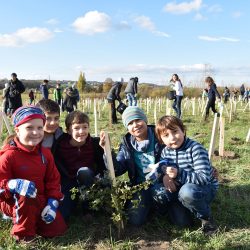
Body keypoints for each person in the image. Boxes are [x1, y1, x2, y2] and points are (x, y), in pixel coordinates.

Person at [99, 106, 193, 227]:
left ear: (145, 120)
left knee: (183, 222)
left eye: (138, 120)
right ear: (127, 127)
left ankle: (166, 206)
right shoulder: (127, 144)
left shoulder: (160, 135)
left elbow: (181, 151)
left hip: (164, 184)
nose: (135, 125)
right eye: (130, 123)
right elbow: (117, 169)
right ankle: (152, 205)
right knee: (134, 221)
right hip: (140, 187)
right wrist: (107, 151)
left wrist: (168, 175)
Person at [0, 106, 67, 243]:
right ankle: (23, 234)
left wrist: (52, 202)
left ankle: (33, 221)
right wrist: (12, 185)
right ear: (17, 130)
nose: (35, 132)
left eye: (39, 128)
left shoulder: (45, 154)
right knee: (25, 191)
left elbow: (53, 180)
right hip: (14, 200)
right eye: (29, 128)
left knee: (58, 230)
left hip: (39, 198)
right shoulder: (9, 155)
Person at [155, 115, 219, 235]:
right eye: (166, 135)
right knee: (182, 222)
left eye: (175, 132)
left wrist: (178, 174)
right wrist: (165, 176)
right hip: (181, 189)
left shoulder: (195, 149)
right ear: (161, 139)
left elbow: (204, 178)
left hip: (203, 189)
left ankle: (206, 219)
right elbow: (163, 167)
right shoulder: (165, 151)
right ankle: (183, 208)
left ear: (183, 131)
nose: (172, 138)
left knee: (187, 192)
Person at [53, 111, 105, 222]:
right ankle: (73, 202)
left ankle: (88, 208)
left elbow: (105, 165)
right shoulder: (60, 145)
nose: (81, 132)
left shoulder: (94, 144)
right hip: (68, 181)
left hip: (89, 179)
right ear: (68, 130)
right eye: (76, 128)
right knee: (63, 214)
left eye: (85, 127)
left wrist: (106, 149)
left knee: (84, 171)